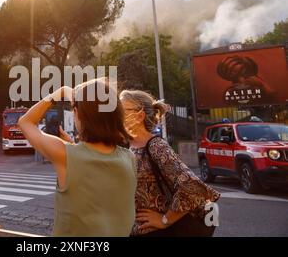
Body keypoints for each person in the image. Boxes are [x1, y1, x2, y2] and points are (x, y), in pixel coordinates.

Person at [18, 79, 137, 237]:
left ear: (77, 113)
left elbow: (26, 122)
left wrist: (59, 93)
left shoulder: (65, 155)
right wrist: (74, 146)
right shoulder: (129, 158)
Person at [119, 90, 220, 237]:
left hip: (160, 232)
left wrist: (164, 219)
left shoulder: (156, 146)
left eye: (120, 110)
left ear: (139, 116)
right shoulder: (130, 146)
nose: (115, 115)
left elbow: (193, 187)